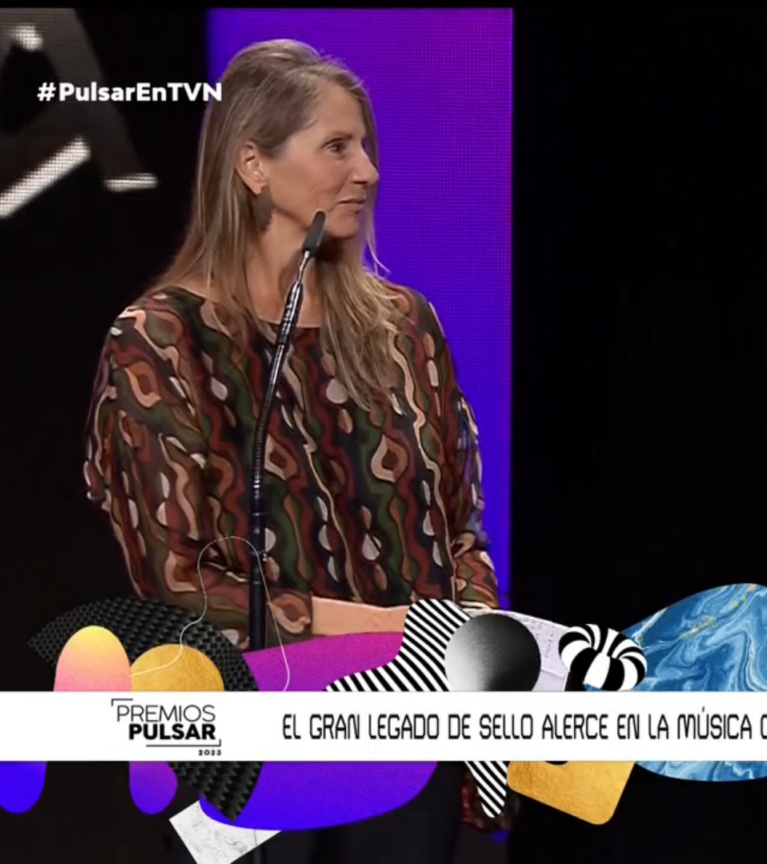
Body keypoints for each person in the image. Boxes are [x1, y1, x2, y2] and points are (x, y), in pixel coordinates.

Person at [82, 39, 500, 862]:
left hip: (410, 745)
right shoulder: (160, 343)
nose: (367, 171)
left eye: (367, 146)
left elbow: (461, 531)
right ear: (254, 167)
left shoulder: (406, 329)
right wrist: (391, 631)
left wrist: (475, 650)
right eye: (337, 146)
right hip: (253, 752)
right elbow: (180, 582)